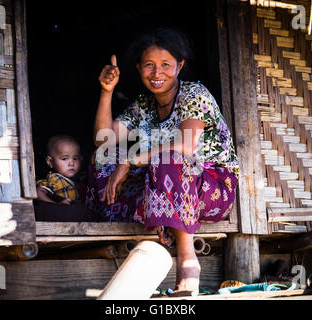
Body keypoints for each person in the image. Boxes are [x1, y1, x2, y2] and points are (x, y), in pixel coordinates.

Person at [87, 28, 239, 295]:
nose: (157, 74)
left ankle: (188, 264)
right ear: (138, 68)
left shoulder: (195, 94)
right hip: (164, 185)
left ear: (180, 66)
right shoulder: (144, 105)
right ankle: (143, 215)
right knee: (101, 159)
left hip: (213, 188)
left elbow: (184, 146)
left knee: (168, 157)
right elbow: (104, 140)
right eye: (149, 65)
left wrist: (130, 162)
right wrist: (107, 91)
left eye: (165, 65)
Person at [36, 134, 86, 205]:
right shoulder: (55, 180)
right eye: (64, 159)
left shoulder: (78, 180)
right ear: (50, 162)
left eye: (75, 158)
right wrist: (55, 204)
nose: (71, 163)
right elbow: (38, 192)